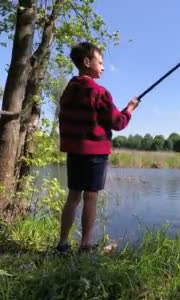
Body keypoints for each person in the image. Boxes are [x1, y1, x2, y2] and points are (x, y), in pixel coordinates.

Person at [56, 42, 139, 253]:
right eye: (100, 62)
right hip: (95, 154)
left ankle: (63, 243)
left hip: (74, 152)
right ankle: (85, 244)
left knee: (73, 196)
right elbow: (118, 122)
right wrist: (129, 109)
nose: (103, 67)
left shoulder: (69, 90)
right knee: (90, 197)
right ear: (86, 62)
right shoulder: (100, 92)